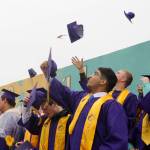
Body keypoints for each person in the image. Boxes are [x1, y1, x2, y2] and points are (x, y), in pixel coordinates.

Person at [40, 59, 128, 150]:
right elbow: (64, 93)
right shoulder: (82, 99)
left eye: (95, 74)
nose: (90, 76)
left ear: (103, 82)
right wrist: (48, 75)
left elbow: (117, 141)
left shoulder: (112, 106)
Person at [71, 57, 138, 145]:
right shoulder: (105, 93)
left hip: (116, 134)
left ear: (123, 79)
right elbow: (89, 89)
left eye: (118, 73)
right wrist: (81, 71)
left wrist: (115, 118)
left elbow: (131, 121)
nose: (115, 72)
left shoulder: (130, 97)